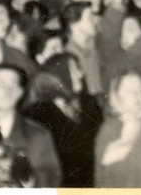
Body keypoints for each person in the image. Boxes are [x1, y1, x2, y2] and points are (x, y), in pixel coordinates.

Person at [0, 64, 62, 187]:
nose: (8, 90)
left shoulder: (38, 135)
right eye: (1, 84)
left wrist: (28, 179)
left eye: (13, 84)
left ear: (20, 93)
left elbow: (51, 181)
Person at [23, 54, 102, 187]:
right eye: (75, 69)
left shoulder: (87, 104)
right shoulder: (39, 114)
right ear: (60, 73)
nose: (81, 74)